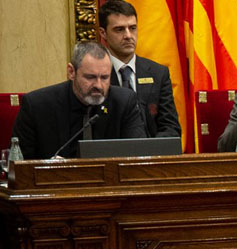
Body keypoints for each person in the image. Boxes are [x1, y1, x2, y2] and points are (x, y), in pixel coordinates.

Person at [11, 41, 146, 160]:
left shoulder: (124, 102)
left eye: (104, 77)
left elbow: (139, 155)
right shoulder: (37, 106)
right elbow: (19, 165)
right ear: (71, 72)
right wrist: (48, 168)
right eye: (90, 77)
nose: (98, 85)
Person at [99, 0, 181, 138]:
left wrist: (148, 150)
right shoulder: (95, 74)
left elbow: (171, 128)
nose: (128, 36)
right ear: (103, 33)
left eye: (132, 28)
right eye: (119, 29)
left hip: (152, 155)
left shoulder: (158, 73)